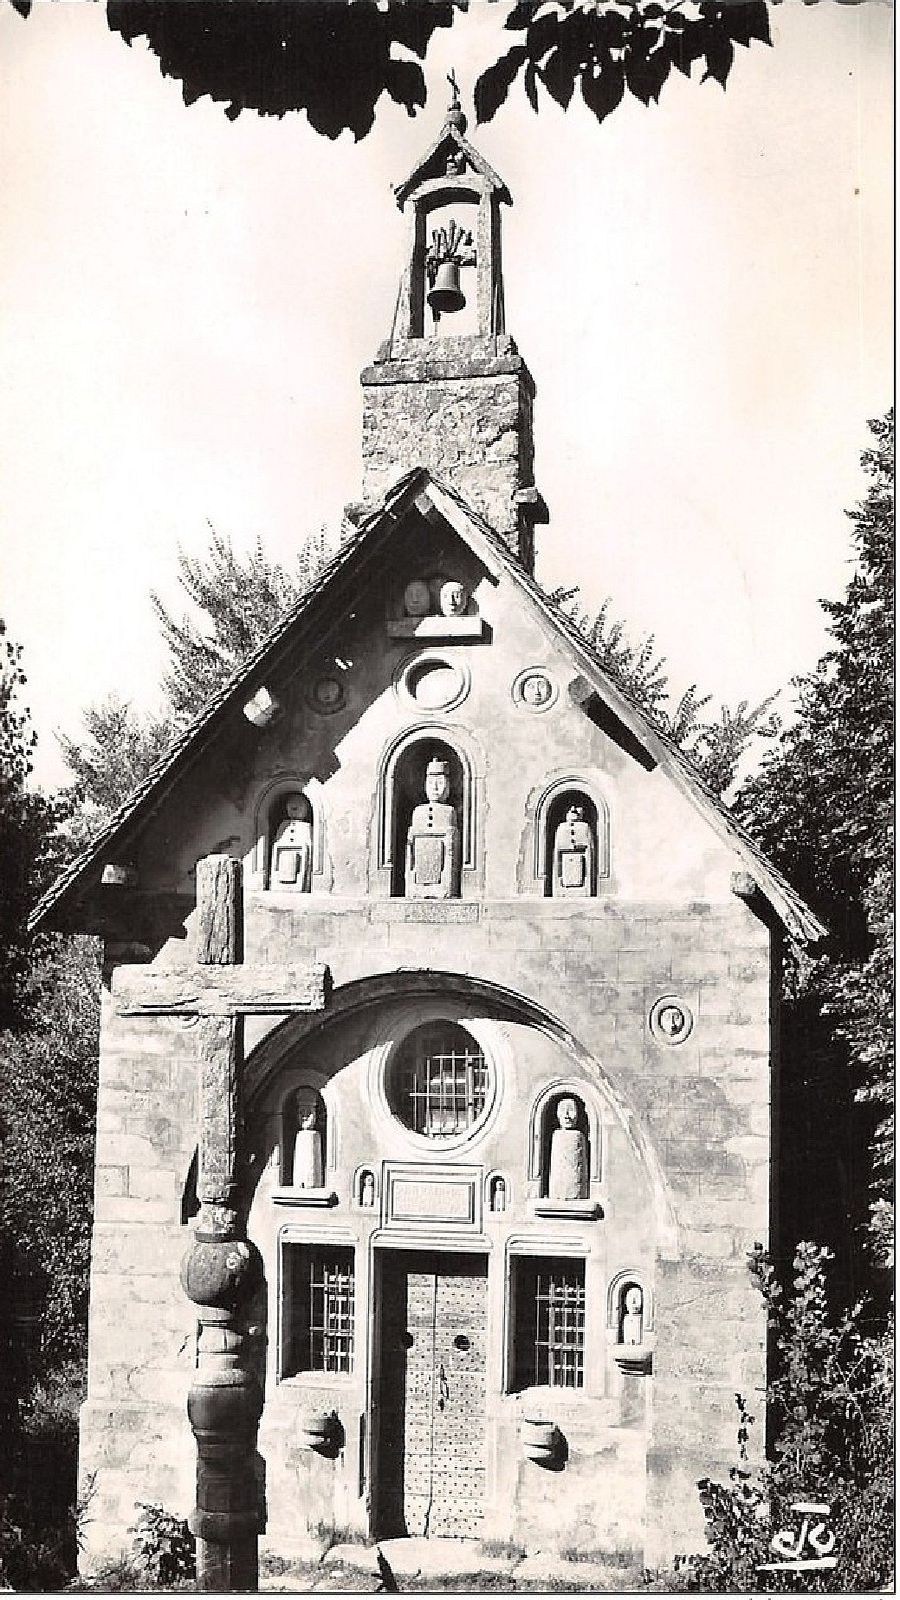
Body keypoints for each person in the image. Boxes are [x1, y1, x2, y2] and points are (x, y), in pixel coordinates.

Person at [405, 756, 460, 898]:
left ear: (448, 785)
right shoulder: (418, 811)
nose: (435, 788)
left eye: (440, 782)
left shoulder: (449, 811)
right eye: (431, 782)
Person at [271, 793, 313, 891]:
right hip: (283, 862)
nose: (295, 807)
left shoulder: (306, 827)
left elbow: (308, 847)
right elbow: (277, 843)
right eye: (291, 805)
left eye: (299, 805)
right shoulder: (283, 825)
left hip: (298, 862)